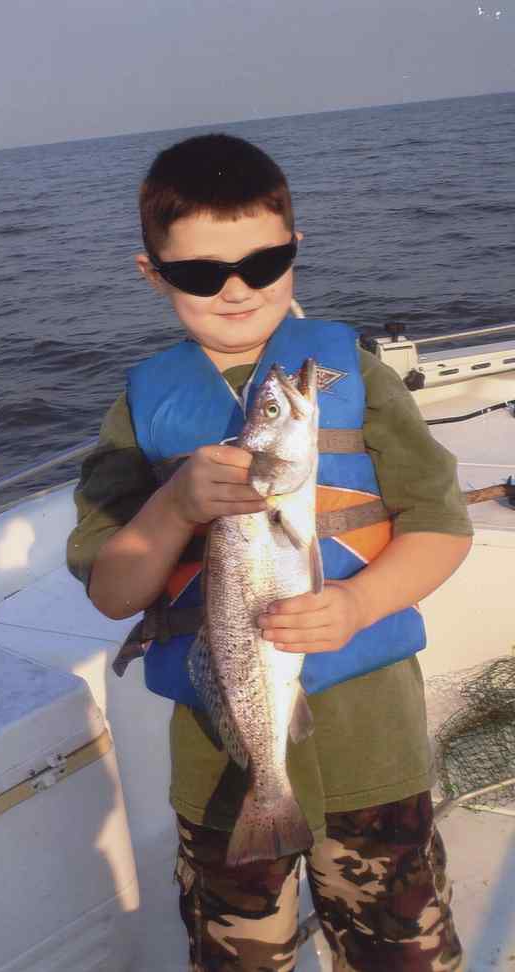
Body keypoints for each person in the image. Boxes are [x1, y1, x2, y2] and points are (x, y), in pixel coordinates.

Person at [67, 133, 473, 972]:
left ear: (295, 248)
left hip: (372, 750)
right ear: (153, 272)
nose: (236, 289)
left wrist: (359, 603)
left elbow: (442, 523)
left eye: (264, 262)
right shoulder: (139, 412)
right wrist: (175, 504)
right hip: (221, 764)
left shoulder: (355, 376)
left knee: (402, 954)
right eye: (199, 272)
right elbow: (112, 591)